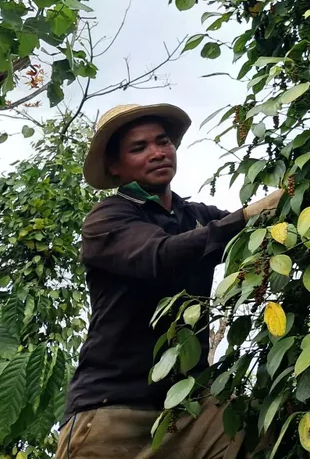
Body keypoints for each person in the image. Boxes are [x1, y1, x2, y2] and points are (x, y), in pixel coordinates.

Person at [56, 103, 282, 459]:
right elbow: (161, 255)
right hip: (113, 411)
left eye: (163, 142)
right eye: (139, 148)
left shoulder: (195, 216)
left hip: (190, 408)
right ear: (114, 167)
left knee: (261, 430)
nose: (158, 152)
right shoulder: (107, 219)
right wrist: (247, 216)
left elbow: (250, 236)